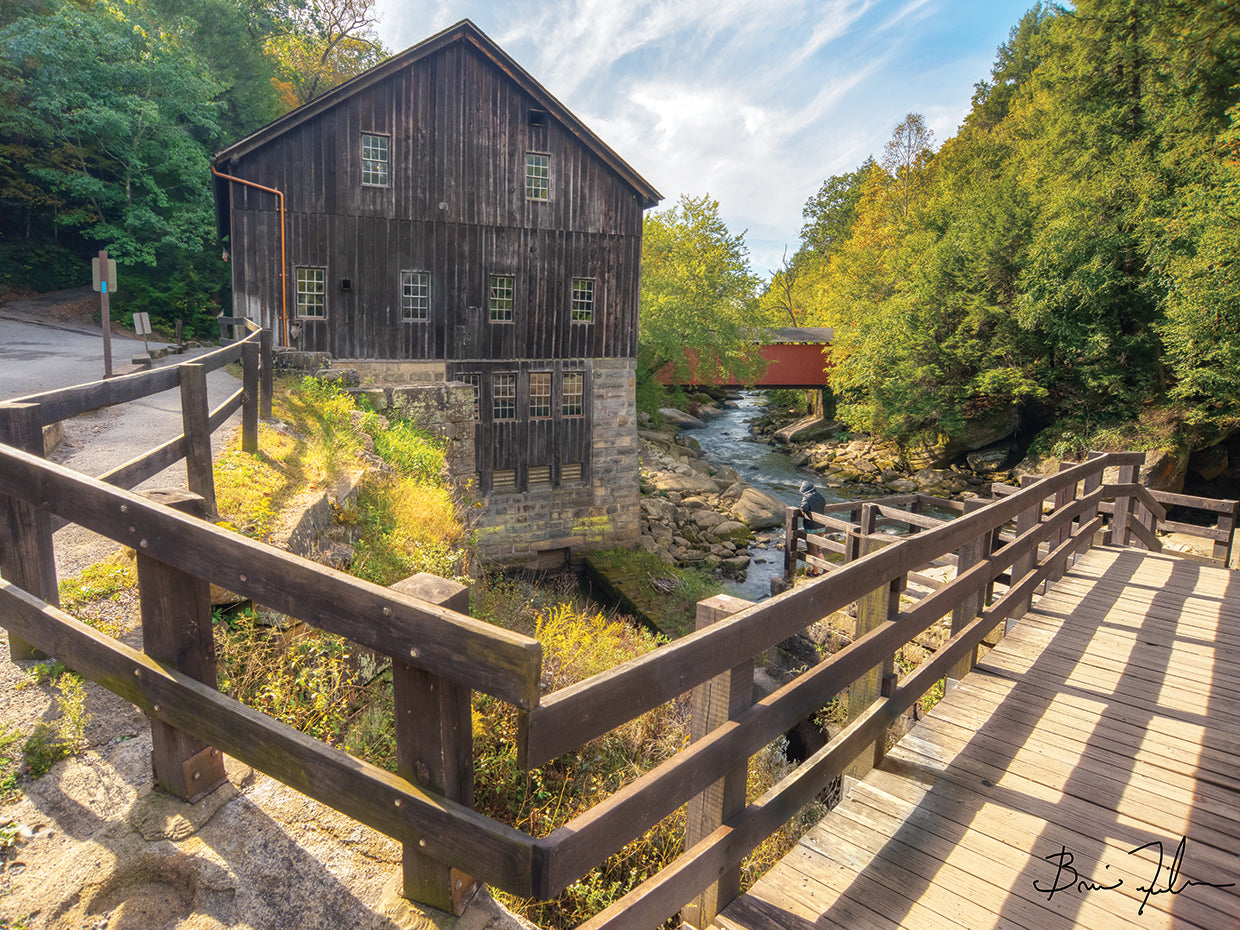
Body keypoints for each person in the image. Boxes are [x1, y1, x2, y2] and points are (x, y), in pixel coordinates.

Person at [799, 480, 827, 575]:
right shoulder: (820, 496)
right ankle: (826, 568)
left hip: (811, 528)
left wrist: (803, 512)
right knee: (818, 550)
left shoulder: (806, 497)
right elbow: (823, 504)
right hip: (821, 527)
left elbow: (804, 508)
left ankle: (815, 572)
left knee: (812, 551)